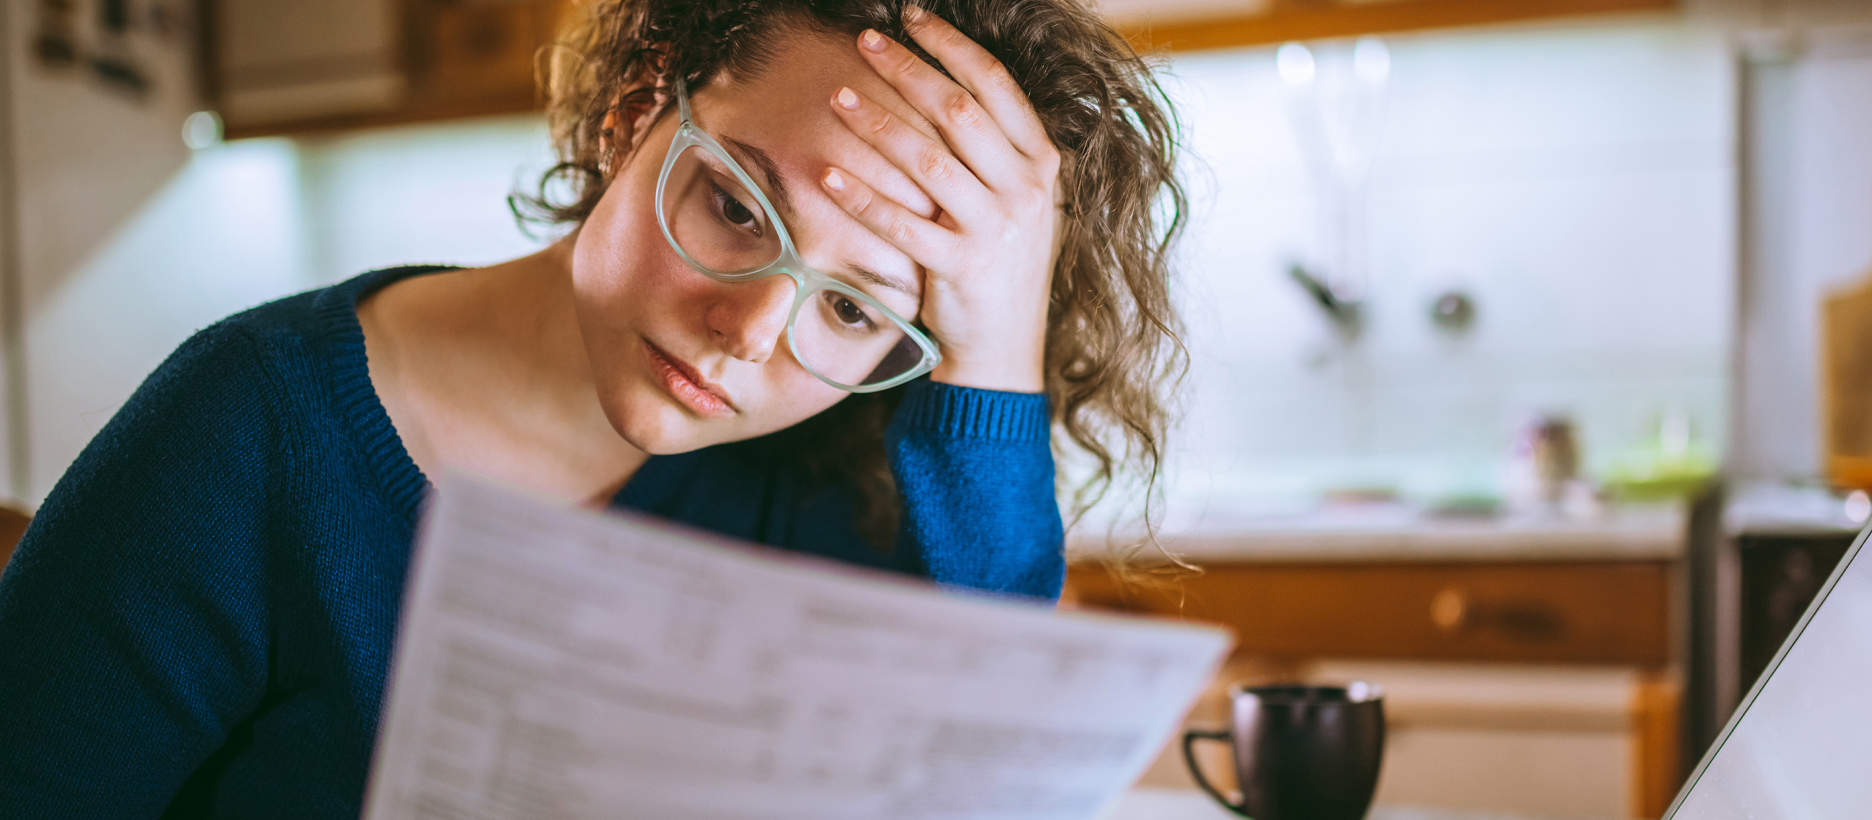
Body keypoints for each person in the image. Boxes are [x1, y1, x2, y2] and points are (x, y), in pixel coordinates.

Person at [0, 0, 1185, 816]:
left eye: (853, 313)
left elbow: (985, 762)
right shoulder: (248, 430)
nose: (747, 334)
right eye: (732, 206)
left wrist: (992, 362)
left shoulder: (824, 484)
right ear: (631, 116)